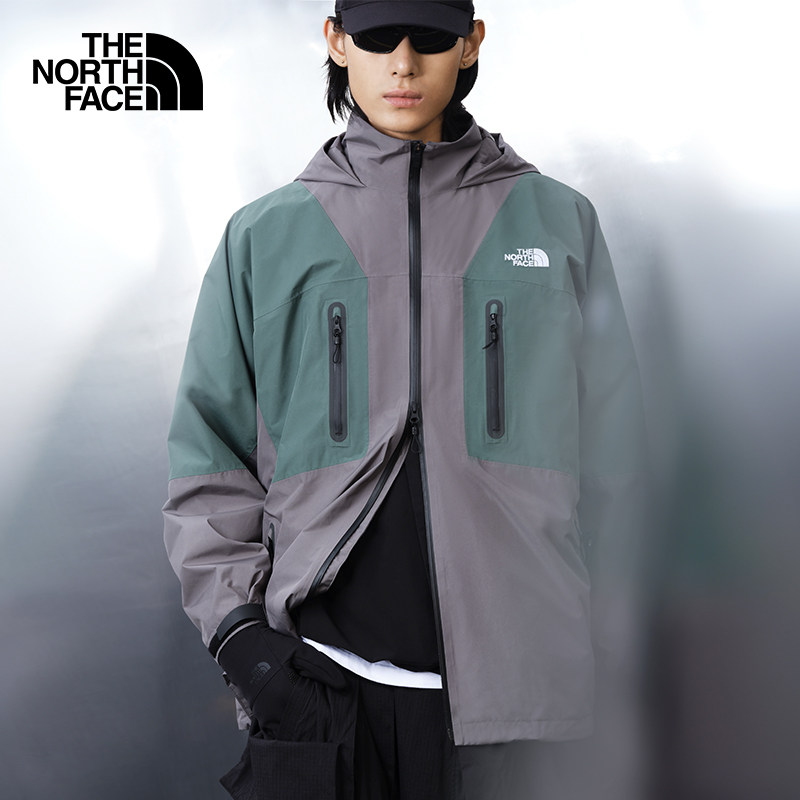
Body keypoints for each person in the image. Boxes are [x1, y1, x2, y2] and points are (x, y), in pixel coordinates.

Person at [163, 1, 645, 798]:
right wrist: (243, 642)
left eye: (431, 37)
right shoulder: (264, 236)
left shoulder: (560, 224)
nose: (404, 62)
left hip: (522, 712)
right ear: (337, 41)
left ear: (471, 44)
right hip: (322, 700)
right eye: (380, 36)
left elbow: (617, 462)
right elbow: (207, 462)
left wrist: (603, 648)